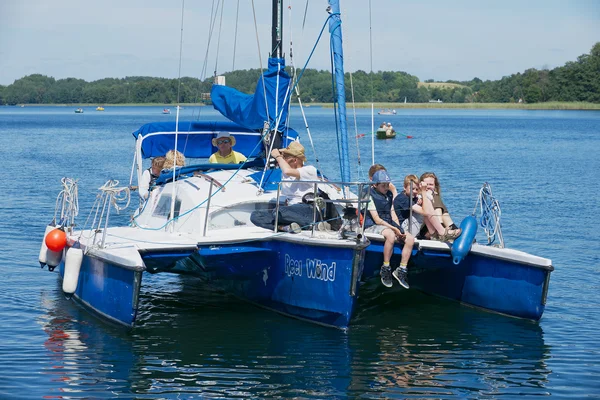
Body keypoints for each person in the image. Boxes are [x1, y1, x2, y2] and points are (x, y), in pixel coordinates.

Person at [250, 142, 319, 233]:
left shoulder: (309, 170)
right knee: (255, 216)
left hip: (307, 209)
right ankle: (285, 228)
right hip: (291, 210)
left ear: (294, 160)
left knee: (279, 212)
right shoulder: (286, 174)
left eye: (285, 157)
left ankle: (311, 225)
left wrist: (278, 157)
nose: (283, 159)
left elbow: (287, 171)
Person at [363, 169, 413, 289]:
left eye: (387, 185)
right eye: (383, 185)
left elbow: (393, 214)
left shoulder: (389, 195)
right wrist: (394, 230)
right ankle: (386, 267)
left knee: (410, 238)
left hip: (388, 223)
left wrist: (399, 229)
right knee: (390, 235)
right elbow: (376, 219)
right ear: (375, 185)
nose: (386, 188)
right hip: (372, 225)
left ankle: (402, 269)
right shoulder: (368, 194)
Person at [394, 175, 461, 241]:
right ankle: (441, 232)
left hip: (413, 226)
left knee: (426, 204)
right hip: (406, 229)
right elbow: (425, 212)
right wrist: (423, 192)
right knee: (426, 205)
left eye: (417, 189)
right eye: (412, 189)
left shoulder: (413, 197)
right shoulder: (402, 198)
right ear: (404, 188)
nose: (414, 191)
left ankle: (435, 234)